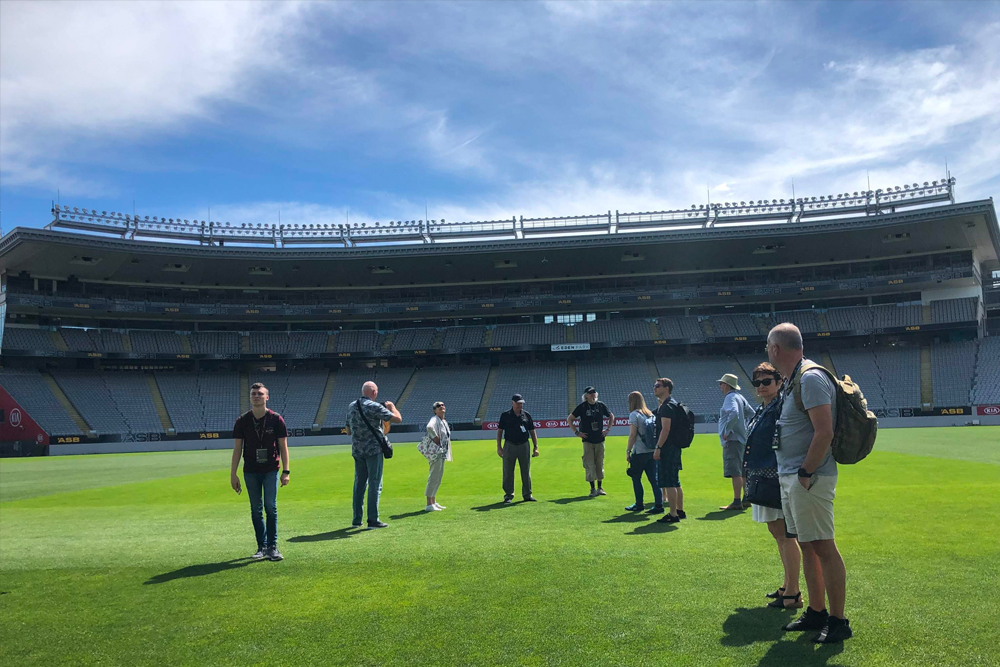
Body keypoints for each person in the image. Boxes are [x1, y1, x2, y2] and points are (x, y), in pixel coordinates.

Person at [767, 323, 852, 643]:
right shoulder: (794, 380)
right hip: (794, 476)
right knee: (808, 546)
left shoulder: (811, 378)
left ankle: (838, 620)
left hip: (808, 478)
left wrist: (805, 472)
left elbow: (824, 431)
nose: (767, 353)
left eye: (768, 348)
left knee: (823, 546)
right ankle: (816, 612)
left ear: (776, 349)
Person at [744, 362, 802, 610]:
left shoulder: (780, 407)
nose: (761, 387)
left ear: (779, 382)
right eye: (757, 382)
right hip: (763, 477)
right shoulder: (763, 408)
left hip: (774, 477)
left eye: (766, 381)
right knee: (777, 533)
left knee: (785, 534)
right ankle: (787, 584)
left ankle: (793, 592)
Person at [230, 382, 290, 561]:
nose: (256, 396)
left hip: (271, 469)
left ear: (267, 397)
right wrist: (233, 474)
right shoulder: (242, 421)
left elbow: (283, 446)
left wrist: (286, 471)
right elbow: (237, 449)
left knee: (270, 507)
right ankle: (261, 546)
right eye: (253, 394)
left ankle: (273, 546)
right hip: (250, 471)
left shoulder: (276, 419)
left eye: (260, 393)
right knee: (256, 510)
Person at [345, 380, 402, 529]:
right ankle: (373, 519)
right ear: (374, 393)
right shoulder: (374, 406)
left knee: (359, 484)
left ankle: (357, 519)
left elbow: (348, 430)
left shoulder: (351, 406)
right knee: (375, 484)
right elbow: (398, 419)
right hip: (373, 450)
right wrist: (392, 407)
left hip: (357, 450)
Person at [718, 373, 755, 510]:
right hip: (742, 438)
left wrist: (727, 431)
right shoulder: (740, 397)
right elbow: (752, 413)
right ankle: (746, 498)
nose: (720, 386)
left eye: (721, 384)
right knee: (742, 470)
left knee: (735, 471)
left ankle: (736, 501)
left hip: (733, 440)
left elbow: (733, 413)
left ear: (727, 385)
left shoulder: (730, 398)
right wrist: (744, 427)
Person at [569, 386, 615, 497]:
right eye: (590, 393)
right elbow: (569, 419)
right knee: (589, 464)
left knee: (599, 463)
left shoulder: (601, 405)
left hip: (599, 439)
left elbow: (611, 416)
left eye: (594, 392)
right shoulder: (582, 407)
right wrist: (577, 432)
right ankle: (592, 489)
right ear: (586, 396)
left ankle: (600, 487)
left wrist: (608, 429)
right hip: (587, 440)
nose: (593, 394)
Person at [652, 378, 685, 524]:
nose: (654, 388)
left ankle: (672, 514)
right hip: (675, 447)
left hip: (667, 448)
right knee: (676, 481)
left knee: (670, 482)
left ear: (666, 388)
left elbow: (666, 429)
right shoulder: (673, 404)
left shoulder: (666, 407)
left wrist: (658, 447)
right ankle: (679, 510)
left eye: (657, 386)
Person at [496, 393, 539, 503]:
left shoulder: (526, 415)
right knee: (508, 471)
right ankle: (508, 495)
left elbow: (532, 431)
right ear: (513, 403)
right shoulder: (505, 415)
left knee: (526, 470)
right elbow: (500, 431)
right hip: (509, 445)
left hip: (524, 445)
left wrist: (536, 447)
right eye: (518, 403)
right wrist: (499, 447)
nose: (520, 405)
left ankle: (527, 494)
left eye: (521, 403)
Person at [625, 391, 663, 513]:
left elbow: (632, 434)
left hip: (640, 451)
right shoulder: (650, 414)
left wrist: (628, 450)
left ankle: (639, 504)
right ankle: (658, 505)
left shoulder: (634, 415)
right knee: (653, 479)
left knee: (636, 477)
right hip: (651, 450)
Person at [422, 401, 451, 512]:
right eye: (438, 406)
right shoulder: (434, 420)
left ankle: (433, 501)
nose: (441, 407)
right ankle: (429, 503)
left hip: (441, 452)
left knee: (438, 477)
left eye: (443, 405)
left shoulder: (442, 420)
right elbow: (429, 427)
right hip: (436, 452)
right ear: (435, 410)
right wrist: (435, 437)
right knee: (434, 476)